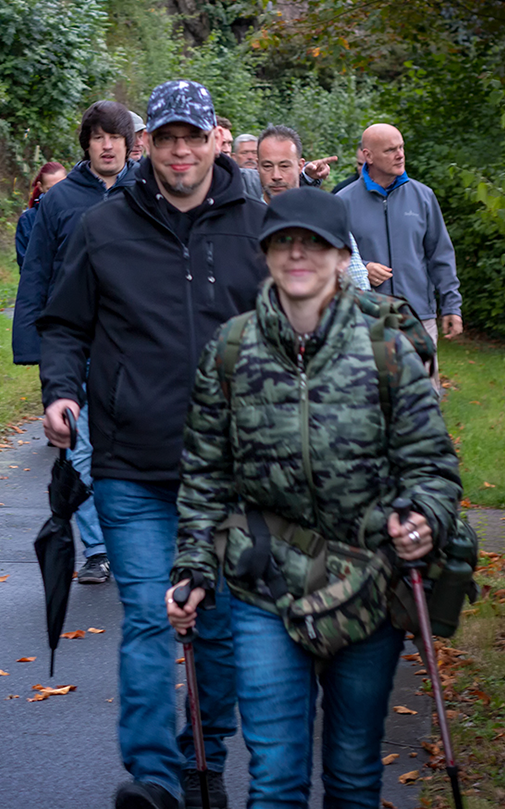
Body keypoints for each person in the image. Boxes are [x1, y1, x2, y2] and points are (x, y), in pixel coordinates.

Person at [167, 187, 462, 809]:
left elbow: (432, 466)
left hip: (369, 585)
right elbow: (204, 475)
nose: (298, 253)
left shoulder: (387, 349)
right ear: (267, 254)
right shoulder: (231, 350)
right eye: (283, 241)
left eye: (315, 243)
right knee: (275, 776)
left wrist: (426, 519)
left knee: (354, 772)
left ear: (339, 256)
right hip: (263, 586)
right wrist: (194, 568)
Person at [39, 80, 268, 809]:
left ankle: (204, 756)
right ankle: (155, 780)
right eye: (165, 137)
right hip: (132, 462)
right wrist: (61, 390)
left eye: (191, 137)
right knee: (148, 616)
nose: (178, 150)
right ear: (147, 145)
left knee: (221, 620)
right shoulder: (102, 228)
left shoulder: (257, 227)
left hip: (230, 471)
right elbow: (64, 321)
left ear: (212, 143)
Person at [15, 101, 138, 585]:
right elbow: (37, 274)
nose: (107, 145)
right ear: (86, 143)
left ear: (130, 142)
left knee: (134, 443)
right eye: (98, 137)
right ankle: (97, 548)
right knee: (80, 447)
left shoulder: (149, 191)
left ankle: (136, 534)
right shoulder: (60, 201)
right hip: (78, 343)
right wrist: (32, 344)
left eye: (115, 136)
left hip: (136, 343)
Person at [338, 123, 462, 392]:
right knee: (372, 400)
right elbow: (332, 260)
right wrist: (362, 267)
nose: (400, 155)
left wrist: (451, 305)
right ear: (368, 156)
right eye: (391, 150)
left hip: (419, 316)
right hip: (366, 319)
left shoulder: (423, 197)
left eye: (401, 147)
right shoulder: (342, 202)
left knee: (425, 398)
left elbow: (440, 254)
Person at [256, 125, 370, 289]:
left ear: (300, 165)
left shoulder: (325, 218)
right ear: (257, 166)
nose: (276, 176)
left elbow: (359, 287)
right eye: (267, 166)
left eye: (284, 166)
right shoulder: (245, 220)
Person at [15, 161, 67, 268]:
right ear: (40, 187)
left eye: (61, 187)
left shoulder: (79, 214)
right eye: (50, 189)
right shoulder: (28, 219)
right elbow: (25, 262)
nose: (57, 194)